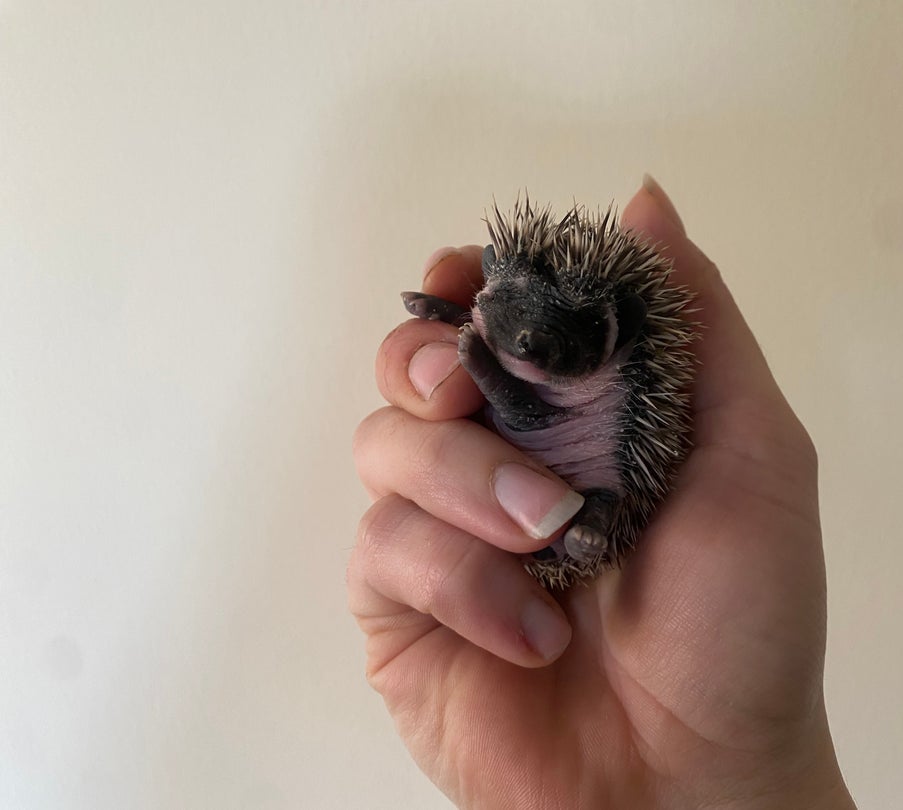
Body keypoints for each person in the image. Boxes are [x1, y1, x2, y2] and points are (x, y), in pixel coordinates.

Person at [348, 177, 857, 809]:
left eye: (569, 328)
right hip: (548, 517)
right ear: (493, 283)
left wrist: (475, 354)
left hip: (590, 478)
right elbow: (485, 346)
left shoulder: (596, 365)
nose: (531, 341)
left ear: (623, 331)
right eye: (515, 316)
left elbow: (517, 397)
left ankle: (587, 525)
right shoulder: (491, 319)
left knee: (555, 458)